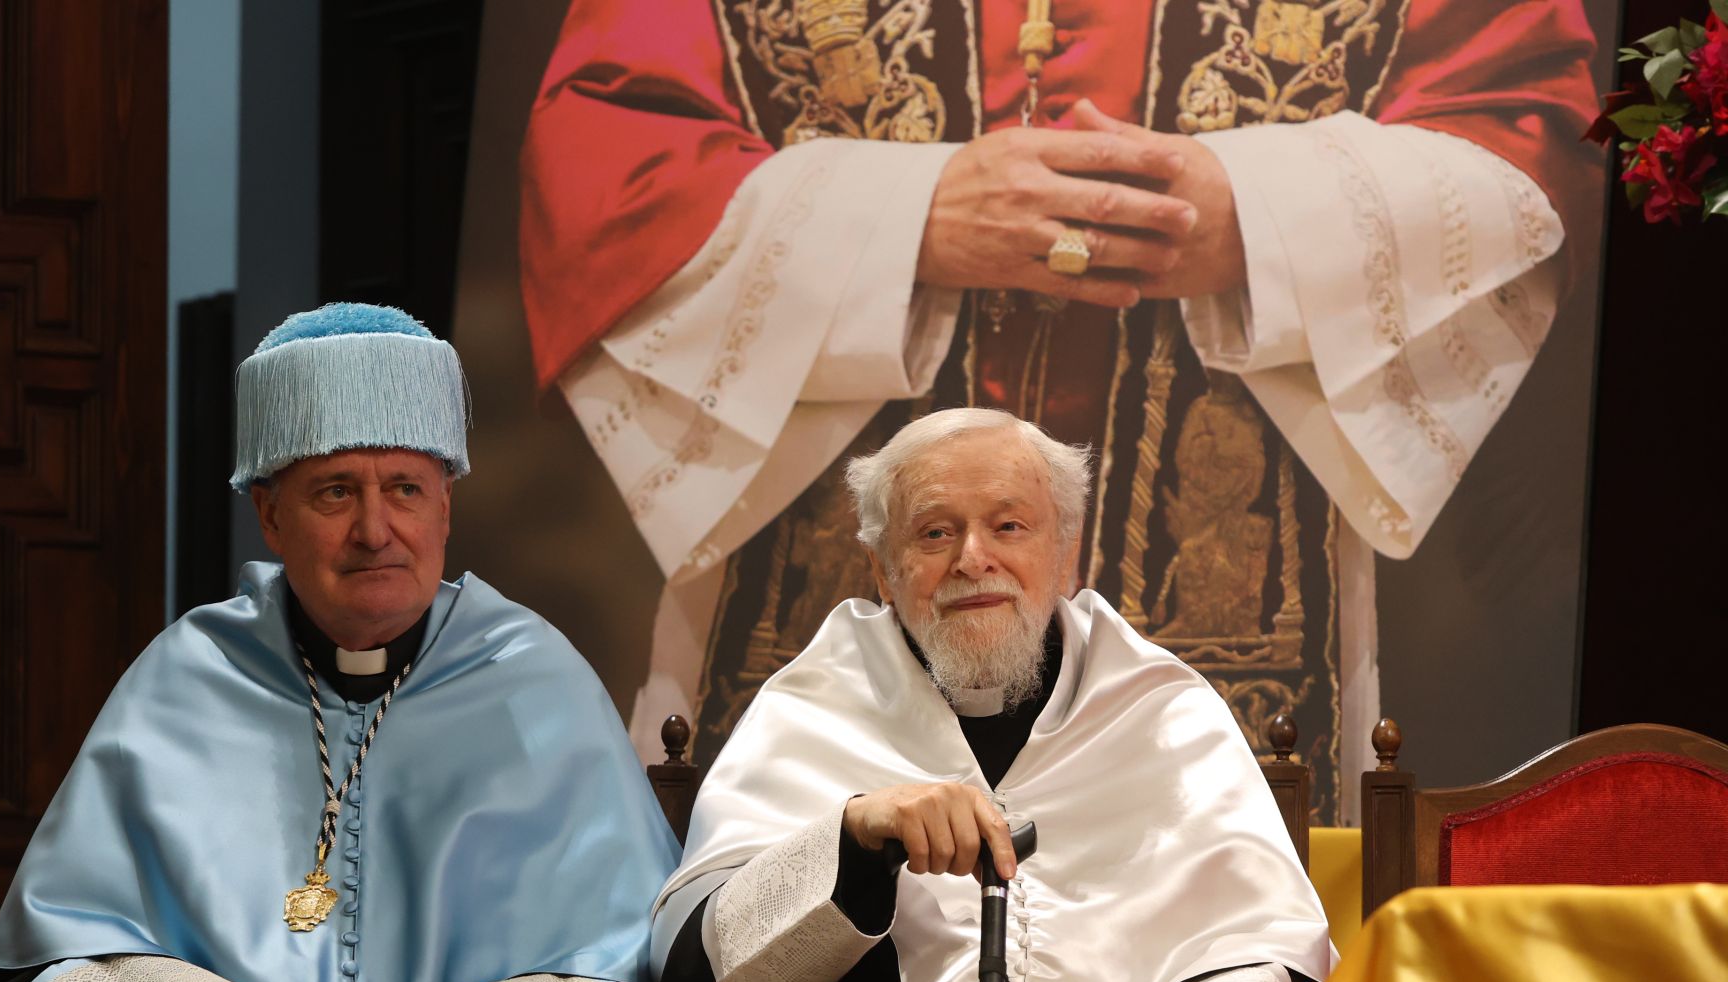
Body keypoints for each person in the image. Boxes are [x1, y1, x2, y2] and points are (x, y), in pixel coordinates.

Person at [521, 0, 1602, 814]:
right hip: (806, 565)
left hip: (1245, 568)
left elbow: (1521, 123)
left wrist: (1259, 218)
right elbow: (602, 156)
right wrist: (908, 219)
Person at [0, 302, 680, 982]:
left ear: (446, 507)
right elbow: (67, 940)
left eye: (405, 487)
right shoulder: (189, 674)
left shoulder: (533, 676)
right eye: (333, 493)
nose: (374, 530)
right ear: (269, 513)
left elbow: (619, 947)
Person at [650, 406, 1351, 982]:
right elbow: (701, 971)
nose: (973, 557)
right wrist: (854, 838)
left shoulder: (1160, 705)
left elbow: (1258, 941)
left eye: (1008, 525)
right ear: (883, 565)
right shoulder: (813, 706)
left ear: (1065, 550)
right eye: (935, 531)